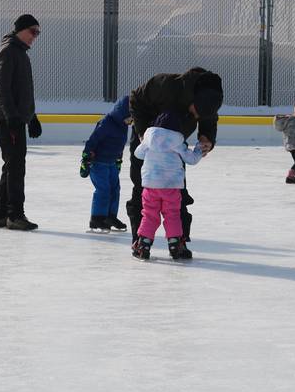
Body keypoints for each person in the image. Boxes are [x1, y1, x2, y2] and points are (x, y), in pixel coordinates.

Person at [126, 67, 223, 254]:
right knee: (142, 189)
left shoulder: (210, 96)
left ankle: (179, 241)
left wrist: (206, 138)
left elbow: (209, 120)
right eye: (196, 112)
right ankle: (139, 240)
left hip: (174, 148)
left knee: (177, 194)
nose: (196, 117)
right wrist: (143, 133)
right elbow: (135, 99)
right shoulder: (165, 85)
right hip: (147, 139)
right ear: (193, 99)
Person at [0, 14, 44, 231]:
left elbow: (22, 91)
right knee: (16, 167)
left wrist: (31, 117)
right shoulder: (9, 51)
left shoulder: (20, 53)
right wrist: (12, 116)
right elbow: (2, 88)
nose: (35, 37)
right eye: (33, 31)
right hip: (7, 119)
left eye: (38, 33)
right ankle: (15, 214)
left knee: (11, 165)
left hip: (14, 117)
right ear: (21, 29)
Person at [131, 112, 203, 261]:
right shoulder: (177, 142)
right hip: (171, 187)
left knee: (150, 214)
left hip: (151, 186)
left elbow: (138, 154)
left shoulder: (148, 140)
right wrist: (199, 149)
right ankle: (175, 244)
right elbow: (192, 159)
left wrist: (143, 143)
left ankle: (144, 244)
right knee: (172, 215)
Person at [80, 96, 132, 233]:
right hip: (98, 163)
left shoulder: (122, 126)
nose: (130, 121)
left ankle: (109, 216)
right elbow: (93, 140)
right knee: (103, 190)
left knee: (115, 189)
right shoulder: (107, 123)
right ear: (122, 113)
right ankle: (97, 218)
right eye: (129, 118)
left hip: (112, 163)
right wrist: (86, 157)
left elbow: (119, 145)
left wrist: (119, 159)